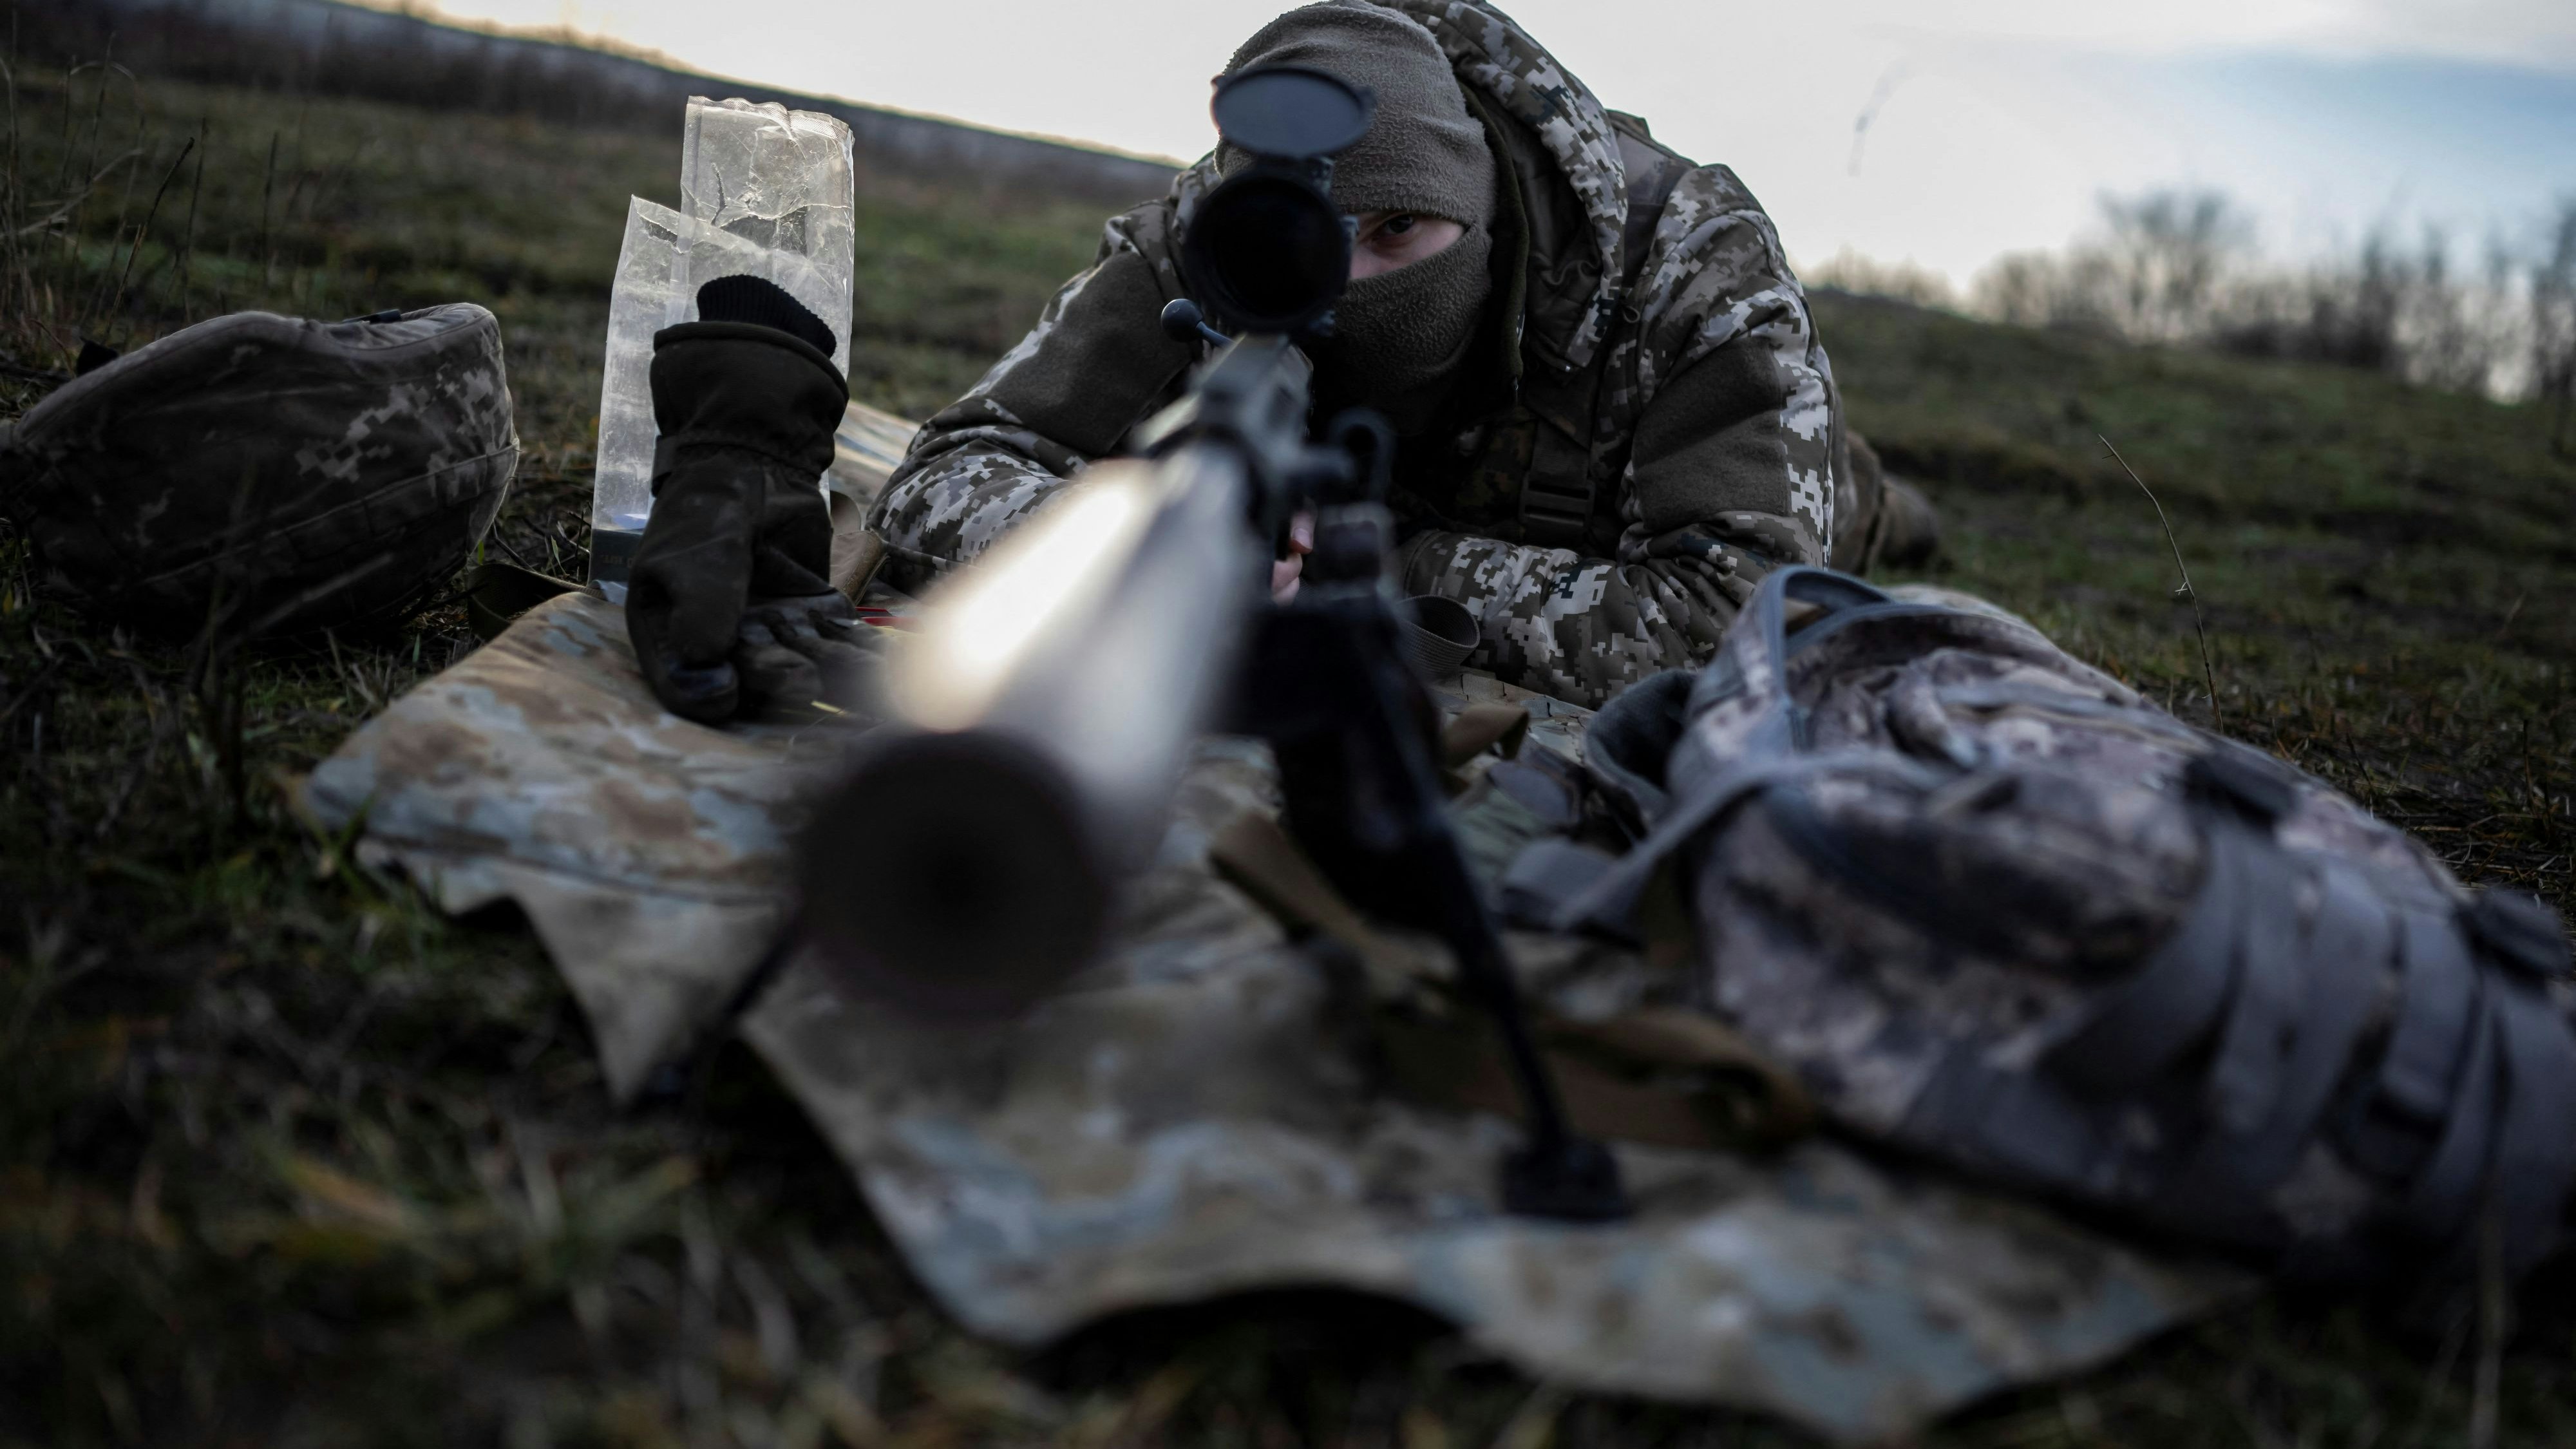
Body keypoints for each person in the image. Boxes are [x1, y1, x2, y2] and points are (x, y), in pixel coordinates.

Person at [864, 0, 1935, 710]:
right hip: (1454, 508)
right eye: (1314, 246)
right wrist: (1120, 525)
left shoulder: (1693, 269)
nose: (1355, 288)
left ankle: (1893, 497)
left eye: (1397, 235)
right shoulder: (1202, 243)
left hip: (1670, 480)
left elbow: (1737, 618)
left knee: (1847, 496)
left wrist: (1376, 561)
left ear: (1482, 217)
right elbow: (944, 469)